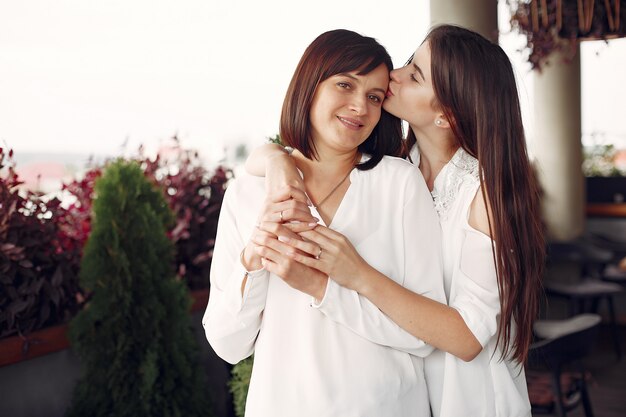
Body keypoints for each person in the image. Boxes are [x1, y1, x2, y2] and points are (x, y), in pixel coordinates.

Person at [245, 24, 545, 417]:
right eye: (407, 63)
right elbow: (260, 158)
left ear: (446, 116)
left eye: (414, 75)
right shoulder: (400, 170)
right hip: (408, 392)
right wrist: (278, 161)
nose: (394, 76)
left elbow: (468, 338)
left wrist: (356, 274)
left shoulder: (483, 193)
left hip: (469, 397)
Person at [203, 29, 445, 417]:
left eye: (374, 97)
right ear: (309, 86)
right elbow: (228, 344)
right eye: (344, 85)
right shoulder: (249, 193)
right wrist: (255, 257)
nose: (359, 107)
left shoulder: (398, 183)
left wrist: (324, 288)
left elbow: (424, 334)